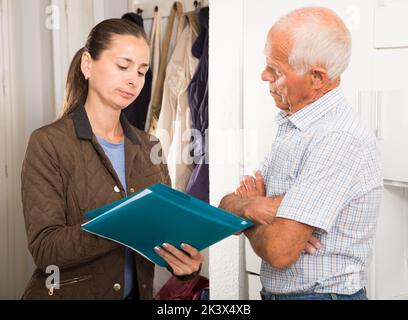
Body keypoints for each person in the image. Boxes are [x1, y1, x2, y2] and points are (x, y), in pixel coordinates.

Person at [21, 19, 203, 300]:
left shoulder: (149, 145)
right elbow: (46, 249)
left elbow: (161, 233)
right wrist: (123, 223)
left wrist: (183, 264)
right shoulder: (48, 143)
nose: (134, 80)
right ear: (87, 64)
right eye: (123, 66)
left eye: (142, 72)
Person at [219, 7, 383, 300]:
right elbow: (225, 209)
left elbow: (279, 251)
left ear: (317, 78)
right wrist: (250, 207)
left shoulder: (336, 137)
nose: (263, 75)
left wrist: (250, 215)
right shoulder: (295, 128)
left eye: (276, 70)